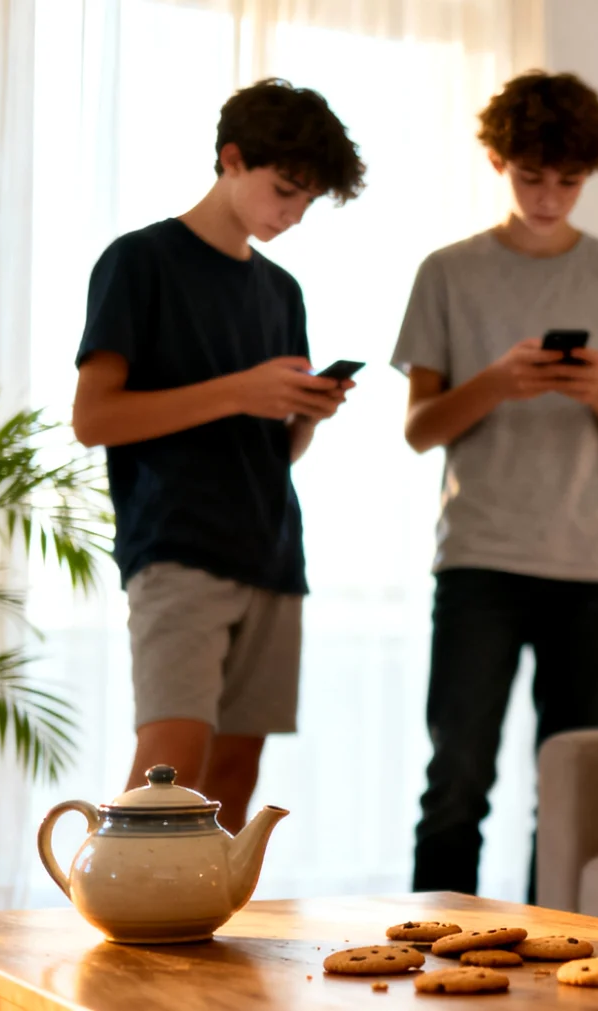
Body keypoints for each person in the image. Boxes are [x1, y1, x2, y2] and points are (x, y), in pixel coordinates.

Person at [392, 70, 598, 897]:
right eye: (530, 177)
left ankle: (555, 948)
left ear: (591, 173)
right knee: (456, 780)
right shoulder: (447, 272)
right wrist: (495, 382)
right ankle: (431, 946)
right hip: (478, 559)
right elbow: (418, 429)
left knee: (568, 791)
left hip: (591, 566)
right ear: (497, 161)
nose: (549, 197)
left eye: (569, 180)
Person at [71, 78, 366, 832]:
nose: (293, 214)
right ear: (232, 159)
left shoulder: (283, 291)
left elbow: (277, 451)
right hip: (177, 548)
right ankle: (111, 908)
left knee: (235, 778)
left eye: (308, 202)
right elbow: (93, 418)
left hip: (272, 551)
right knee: (170, 768)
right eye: (285, 191)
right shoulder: (140, 261)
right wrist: (240, 390)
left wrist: (306, 413)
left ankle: (203, 912)